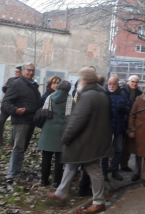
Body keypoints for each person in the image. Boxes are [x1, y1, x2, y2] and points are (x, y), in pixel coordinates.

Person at [48, 67, 111, 213]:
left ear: (83, 81)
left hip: (86, 141)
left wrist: (66, 137)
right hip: (92, 139)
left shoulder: (88, 96)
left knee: (94, 170)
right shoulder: (101, 94)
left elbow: (78, 119)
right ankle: (61, 193)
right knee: (72, 163)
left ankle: (99, 201)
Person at [1, 62, 41, 184]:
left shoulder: (32, 85)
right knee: (18, 148)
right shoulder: (16, 84)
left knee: (22, 148)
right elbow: (6, 102)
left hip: (31, 120)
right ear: (23, 70)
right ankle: (13, 174)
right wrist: (16, 110)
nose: (31, 72)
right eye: (28, 70)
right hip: (21, 121)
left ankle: (16, 170)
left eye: (33, 70)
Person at [38, 81, 74, 188]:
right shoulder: (70, 99)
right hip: (61, 131)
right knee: (59, 159)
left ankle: (44, 180)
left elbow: (44, 112)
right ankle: (57, 182)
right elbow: (72, 117)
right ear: (68, 89)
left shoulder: (50, 97)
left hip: (47, 130)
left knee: (46, 157)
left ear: (58, 87)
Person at [102, 76, 130, 181]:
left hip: (119, 125)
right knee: (105, 151)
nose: (112, 86)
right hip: (106, 127)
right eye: (110, 84)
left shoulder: (122, 94)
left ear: (117, 84)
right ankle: (104, 172)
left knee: (118, 149)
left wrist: (124, 110)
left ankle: (115, 171)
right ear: (107, 84)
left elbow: (128, 107)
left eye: (114, 84)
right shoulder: (103, 93)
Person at [0, 66, 21, 149]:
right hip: (6, 106)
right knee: (0, 122)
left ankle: (11, 143)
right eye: (15, 71)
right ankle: (0, 140)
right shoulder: (10, 79)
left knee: (14, 125)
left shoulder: (22, 81)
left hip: (16, 106)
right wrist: (4, 88)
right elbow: (7, 92)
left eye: (18, 72)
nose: (16, 73)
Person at [120, 75, 142, 172]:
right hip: (122, 121)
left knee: (127, 146)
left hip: (132, 122)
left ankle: (124, 164)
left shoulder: (139, 93)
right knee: (118, 145)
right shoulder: (123, 91)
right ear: (129, 81)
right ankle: (113, 166)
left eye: (136, 82)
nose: (134, 84)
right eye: (133, 81)